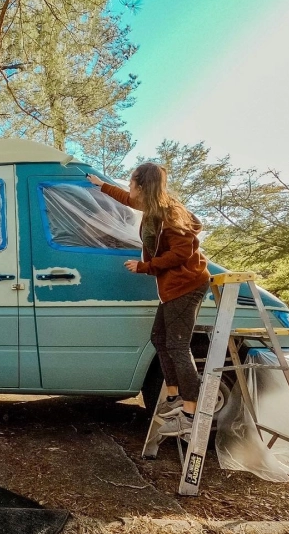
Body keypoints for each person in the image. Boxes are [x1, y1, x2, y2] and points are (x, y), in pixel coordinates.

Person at [86, 164, 210, 437]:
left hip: (186, 286)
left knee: (178, 346)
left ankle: (191, 411)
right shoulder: (153, 206)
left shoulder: (169, 213)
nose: (129, 187)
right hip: (173, 287)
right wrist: (101, 185)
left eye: (131, 182)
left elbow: (180, 253)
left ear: (141, 185)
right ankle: (174, 395)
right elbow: (127, 200)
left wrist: (145, 266)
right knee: (159, 338)